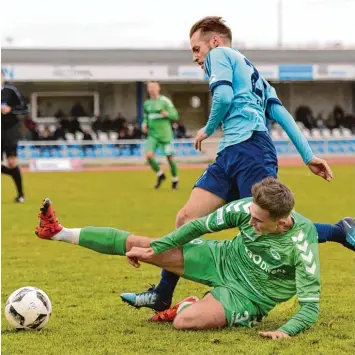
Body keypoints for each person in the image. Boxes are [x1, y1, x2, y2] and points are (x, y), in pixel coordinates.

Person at [121, 16, 355, 315]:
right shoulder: (254, 74)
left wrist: (208, 127)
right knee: (186, 218)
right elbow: (280, 114)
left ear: (214, 41)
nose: (195, 57)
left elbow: (224, 95)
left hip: (252, 152)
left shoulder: (220, 55)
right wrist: (307, 155)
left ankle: (338, 231)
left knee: (269, 224)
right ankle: (163, 293)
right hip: (231, 154)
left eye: (196, 49)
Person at [36, 178, 322, 339]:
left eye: (259, 221)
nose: (250, 222)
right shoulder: (248, 209)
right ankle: (58, 232)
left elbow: (310, 308)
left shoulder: (301, 243)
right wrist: (155, 250)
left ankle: (187, 305)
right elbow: (198, 226)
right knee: (137, 243)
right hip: (221, 258)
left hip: (249, 296)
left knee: (185, 322)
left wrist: (285, 332)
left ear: (282, 223)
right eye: (250, 215)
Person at [143, 81, 180, 189]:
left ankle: (175, 180)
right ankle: (160, 174)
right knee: (148, 156)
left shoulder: (165, 101)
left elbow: (175, 115)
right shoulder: (147, 103)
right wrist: (144, 124)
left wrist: (167, 114)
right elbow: (146, 116)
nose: (151, 89)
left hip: (165, 135)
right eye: (149, 87)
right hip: (152, 135)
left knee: (170, 158)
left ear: (158, 88)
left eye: (154, 86)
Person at [1, 69, 27, 203]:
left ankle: (20, 194)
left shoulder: (10, 89)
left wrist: (10, 109)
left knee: (12, 162)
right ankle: (11, 173)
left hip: (9, 129)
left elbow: (23, 107)